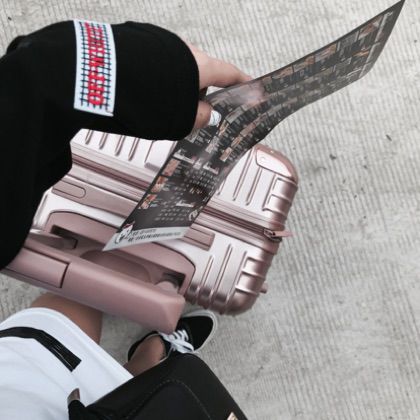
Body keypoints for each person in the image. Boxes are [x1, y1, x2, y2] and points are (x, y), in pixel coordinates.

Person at [0, 19, 250, 419]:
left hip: (23, 389)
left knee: (67, 323)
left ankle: (149, 358)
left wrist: (62, 74)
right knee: (143, 392)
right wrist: (52, 75)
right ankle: (154, 358)